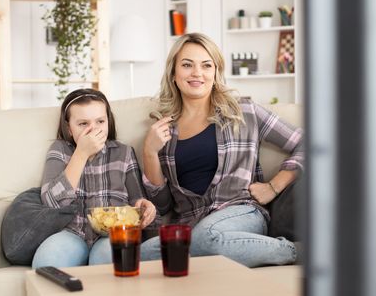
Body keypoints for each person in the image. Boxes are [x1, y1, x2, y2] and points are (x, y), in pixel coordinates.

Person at [140, 33, 304, 267]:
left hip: (240, 212)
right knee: (140, 256)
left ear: (215, 73)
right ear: (174, 74)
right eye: (187, 65)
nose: (197, 73)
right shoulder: (163, 128)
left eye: (206, 65)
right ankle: (228, 251)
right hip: (192, 225)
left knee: (206, 239)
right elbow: (163, 205)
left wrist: (273, 186)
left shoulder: (244, 111)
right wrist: (149, 152)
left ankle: (294, 251)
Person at [32, 88, 156, 268]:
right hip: (72, 232)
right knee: (47, 262)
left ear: (108, 121)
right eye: (83, 123)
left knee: (110, 258)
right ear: (69, 127)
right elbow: (52, 203)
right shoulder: (59, 150)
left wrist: (143, 206)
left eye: (100, 121)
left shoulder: (124, 152)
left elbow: (136, 199)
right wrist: (81, 154)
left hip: (113, 233)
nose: (93, 129)